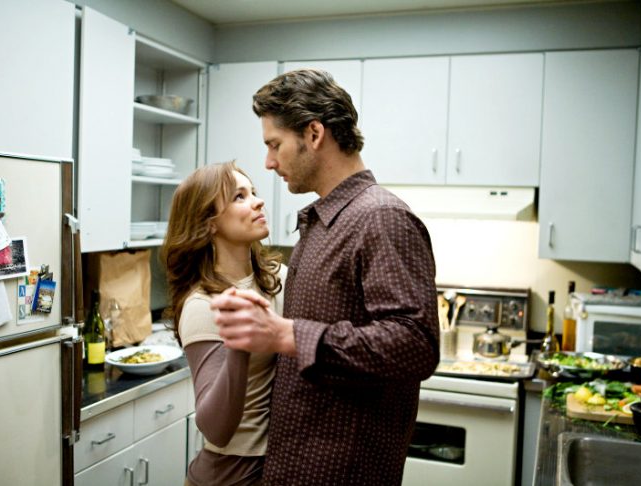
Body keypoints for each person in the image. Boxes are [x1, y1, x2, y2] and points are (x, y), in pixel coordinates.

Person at [211, 69, 440, 485]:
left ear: (314, 134)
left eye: (275, 144)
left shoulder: (380, 218)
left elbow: (416, 344)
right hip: (298, 465)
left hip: (341, 471)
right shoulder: (326, 221)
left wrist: (287, 335)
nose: (269, 161)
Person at [160, 161, 286, 486]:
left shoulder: (278, 279)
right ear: (210, 223)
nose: (257, 201)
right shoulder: (203, 305)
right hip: (230, 472)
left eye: (253, 192)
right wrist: (239, 347)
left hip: (276, 464)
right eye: (239, 197)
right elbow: (215, 428)